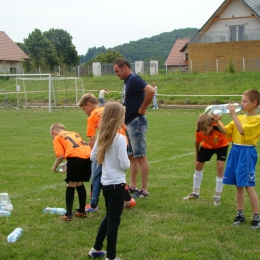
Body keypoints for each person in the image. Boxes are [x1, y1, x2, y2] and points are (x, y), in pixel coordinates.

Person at [77, 94, 135, 212]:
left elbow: (92, 138)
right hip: (122, 140)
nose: (85, 112)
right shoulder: (112, 109)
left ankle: (94, 204)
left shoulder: (93, 116)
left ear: (88, 104)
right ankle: (128, 199)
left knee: (97, 175)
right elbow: (124, 127)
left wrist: (97, 153)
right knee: (118, 175)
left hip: (108, 142)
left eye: (84, 109)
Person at [88, 102, 130, 260]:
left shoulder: (102, 136)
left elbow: (93, 156)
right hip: (117, 184)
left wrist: (104, 158)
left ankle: (97, 248)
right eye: (123, 116)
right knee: (114, 220)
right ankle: (111, 256)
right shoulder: (119, 138)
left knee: (110, 215)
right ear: (118, 118)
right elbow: (125, 164)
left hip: (106, 184)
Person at [215, 89, 260, 228]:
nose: (241, 104)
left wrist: (234, 114)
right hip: (235, 151)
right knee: (238, 185)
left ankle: (257, 217)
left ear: (254, 103)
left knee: (248, 185)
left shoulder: (257, 119)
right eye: (242, 101)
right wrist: (217, 122)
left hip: (246, 152)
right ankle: (240, 214)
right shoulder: (240, 117)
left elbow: (242, 131)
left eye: (244, 101)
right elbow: (226, 131)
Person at [113, 58, 155, 198]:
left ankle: (143, 190)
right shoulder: (127, 81)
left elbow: (150, 91)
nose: (116, 74)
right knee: (131, 156)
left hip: (136, 123)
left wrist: (142, 108)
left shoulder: (133, 79)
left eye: (117, 71)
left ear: (124, 67)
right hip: (129, 123)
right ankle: (132, 186)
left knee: (140, 156)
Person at [183, 113, 229, 205]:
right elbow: (197, 142)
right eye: (201, 130)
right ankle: (195, 193)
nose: (203, 132)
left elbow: (225, 132)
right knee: (198, 165)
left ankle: (217, 196)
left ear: (211, 125)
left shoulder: (218, 127)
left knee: (220, 167)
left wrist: (218, 121)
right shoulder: (199, 131)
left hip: (221, 145)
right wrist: (197, 156)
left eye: (205, 129)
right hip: (207, 146)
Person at [50, 123, 92, 221]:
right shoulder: (74, 133)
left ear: (54, 132)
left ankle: (68, 214)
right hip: (88, 156)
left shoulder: (57, 137)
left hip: (75, 157)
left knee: (71, 184)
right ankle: (82, 211)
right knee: (79, 183)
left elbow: (60, 155)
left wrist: (54, 166)